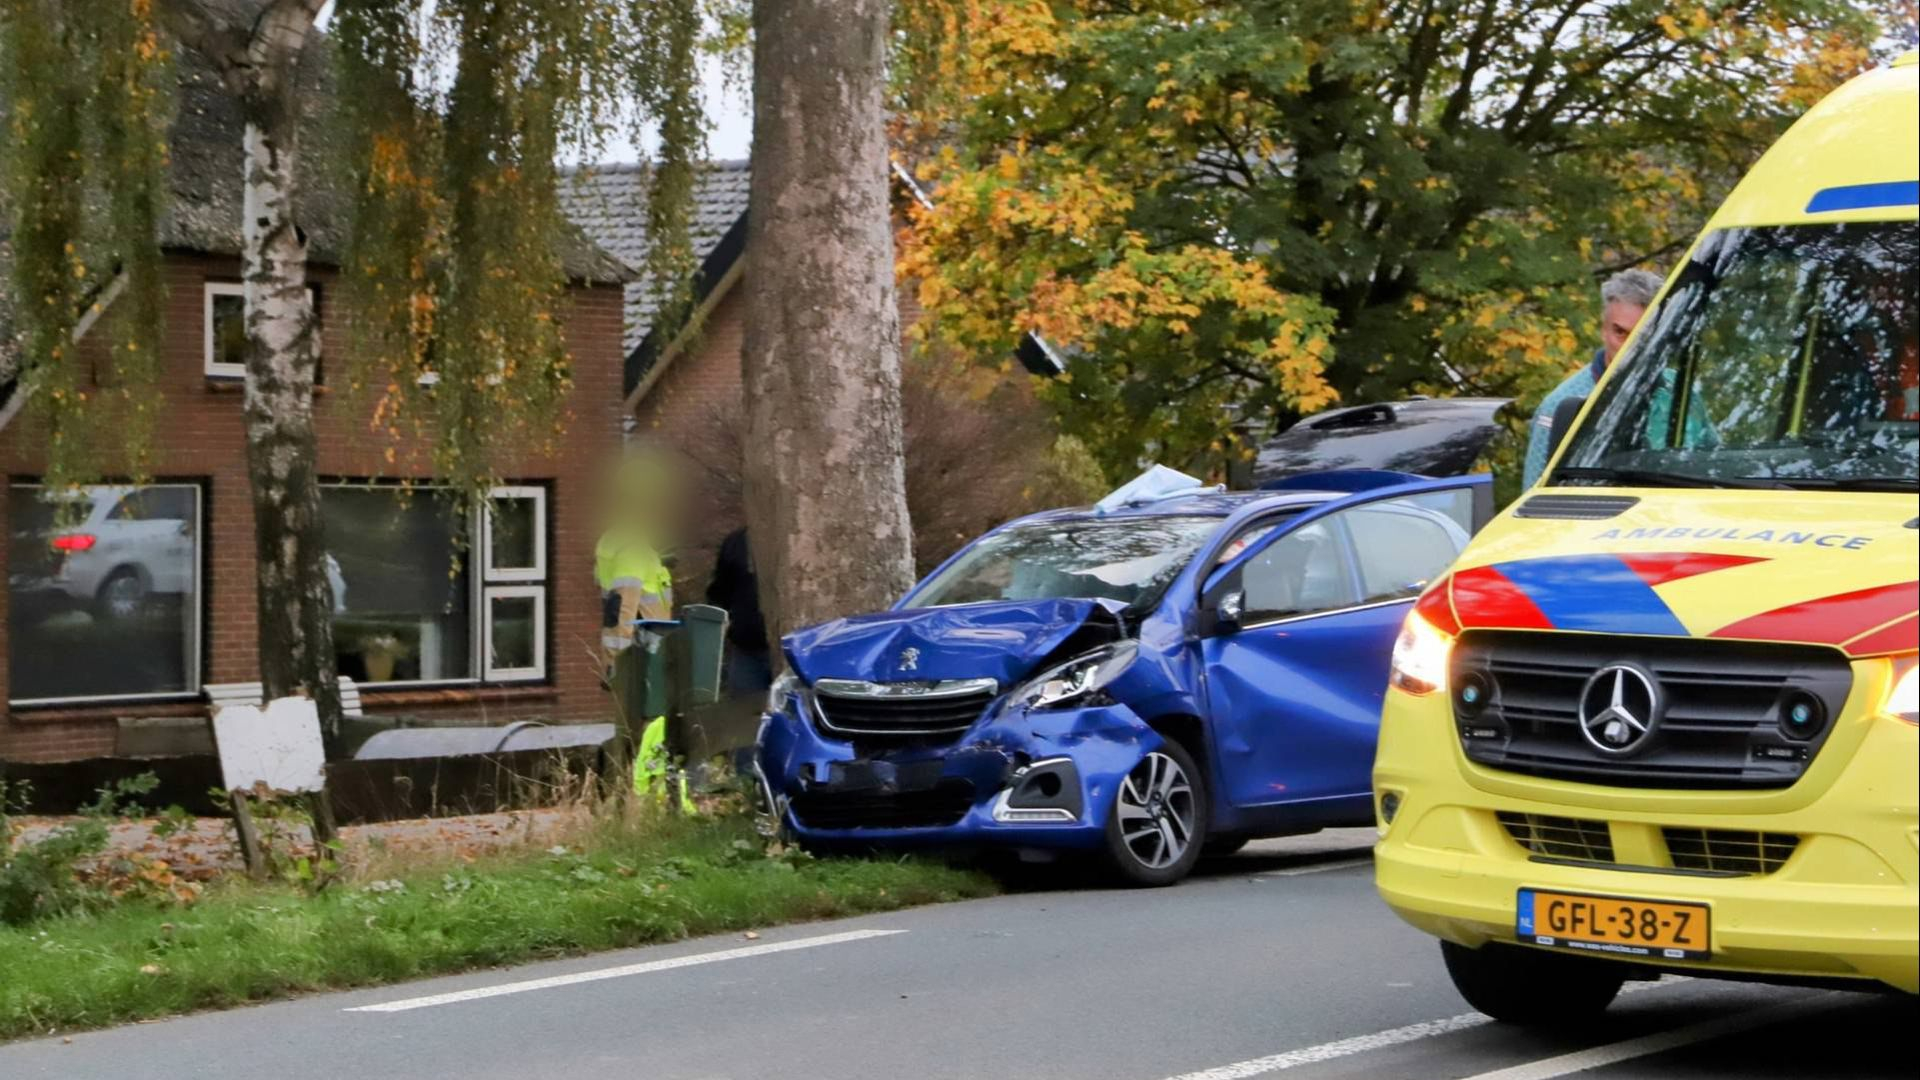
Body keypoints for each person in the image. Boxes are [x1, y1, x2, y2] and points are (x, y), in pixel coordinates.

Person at [1522, 268, 1664, 487]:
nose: (1630, 347)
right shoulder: (1557, 406)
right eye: (1620, 332)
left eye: (1642, 335)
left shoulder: (1682, 394)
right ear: (1603, 330)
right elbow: (1533, 500)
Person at [705, 527, 772, 695]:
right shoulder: (737, 542)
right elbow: (719, 590)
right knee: (743, 713)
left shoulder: (801, 538)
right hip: (748, 649)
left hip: (794, 652)